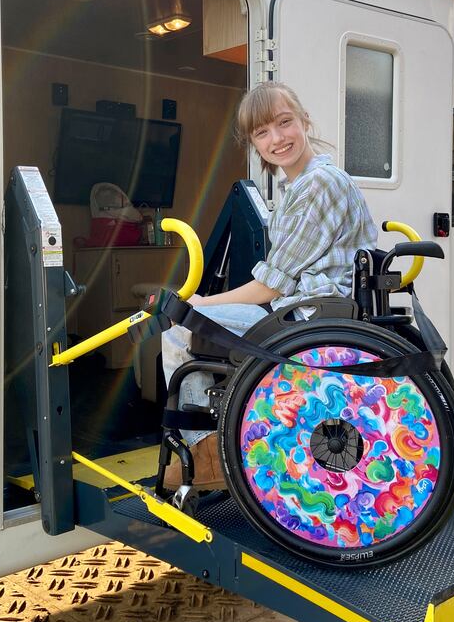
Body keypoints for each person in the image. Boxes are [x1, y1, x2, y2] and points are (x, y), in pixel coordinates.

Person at [162, 81, 378, 490]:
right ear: (254, 143)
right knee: (193, 316)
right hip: (308, 309)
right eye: (263, 132)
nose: (277, 139)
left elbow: (270, 288)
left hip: (308, 315)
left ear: (303, 121)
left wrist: (200, 302)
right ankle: (223, 439)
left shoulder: (320, 185)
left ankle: (205, 455)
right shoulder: (300, 186)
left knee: (179, 323)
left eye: (284, 123)